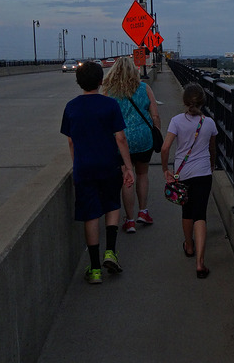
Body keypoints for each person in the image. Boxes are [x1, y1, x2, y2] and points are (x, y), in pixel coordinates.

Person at [60, 61, 134, 284]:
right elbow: (120, 138)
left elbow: (71, 142)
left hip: (85, 168)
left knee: (90, 215)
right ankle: (110, 252)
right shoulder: (110, 105)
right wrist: (128, 167)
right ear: (101, 81)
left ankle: (94, 270)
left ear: (78, 81)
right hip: (109, 165)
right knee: (112, 205)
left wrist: (78, 163)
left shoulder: (71, 107)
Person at [161, 83, 217, 278]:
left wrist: (166, 170)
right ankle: (200, 263)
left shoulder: (176, 121)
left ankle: (189, 246)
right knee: (200, 214)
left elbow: (165, 148)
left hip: (183, 174)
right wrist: (212, 165)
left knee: (187, 210)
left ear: (185, 102)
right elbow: (212, 149)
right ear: (202, 102)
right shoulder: (209, 123)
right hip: (203, 173)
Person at [102, 57, 161, 233]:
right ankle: (143, 211)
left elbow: (105, 120)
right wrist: (157, 130)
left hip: (121, 140)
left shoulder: (109, 92)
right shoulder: (144, 88)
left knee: (126, 178)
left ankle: (130, 220)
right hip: (144, 138)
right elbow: (155, 115)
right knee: (142, 174)